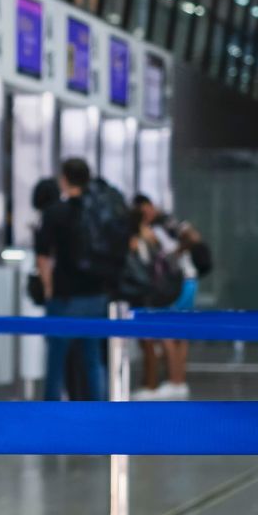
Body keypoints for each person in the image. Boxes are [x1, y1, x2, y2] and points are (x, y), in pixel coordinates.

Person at [34, 158, 128, 401]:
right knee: (93, 359)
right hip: (96, 293)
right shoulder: (99, 211)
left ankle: (51, 410)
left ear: (64, 179)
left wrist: (48, 289)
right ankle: (99, 409)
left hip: (65, 295)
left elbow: (43, 256)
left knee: (56, 360)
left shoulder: (55, 212)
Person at [132, 194, 198, 399]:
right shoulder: (171, 223)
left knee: (168, 331)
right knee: (181, 333)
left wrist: (173, 254)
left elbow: (156, 251)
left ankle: (174, 380)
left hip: (174, 284)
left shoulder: (159, 227)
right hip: (188, 279)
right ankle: (179, 381)